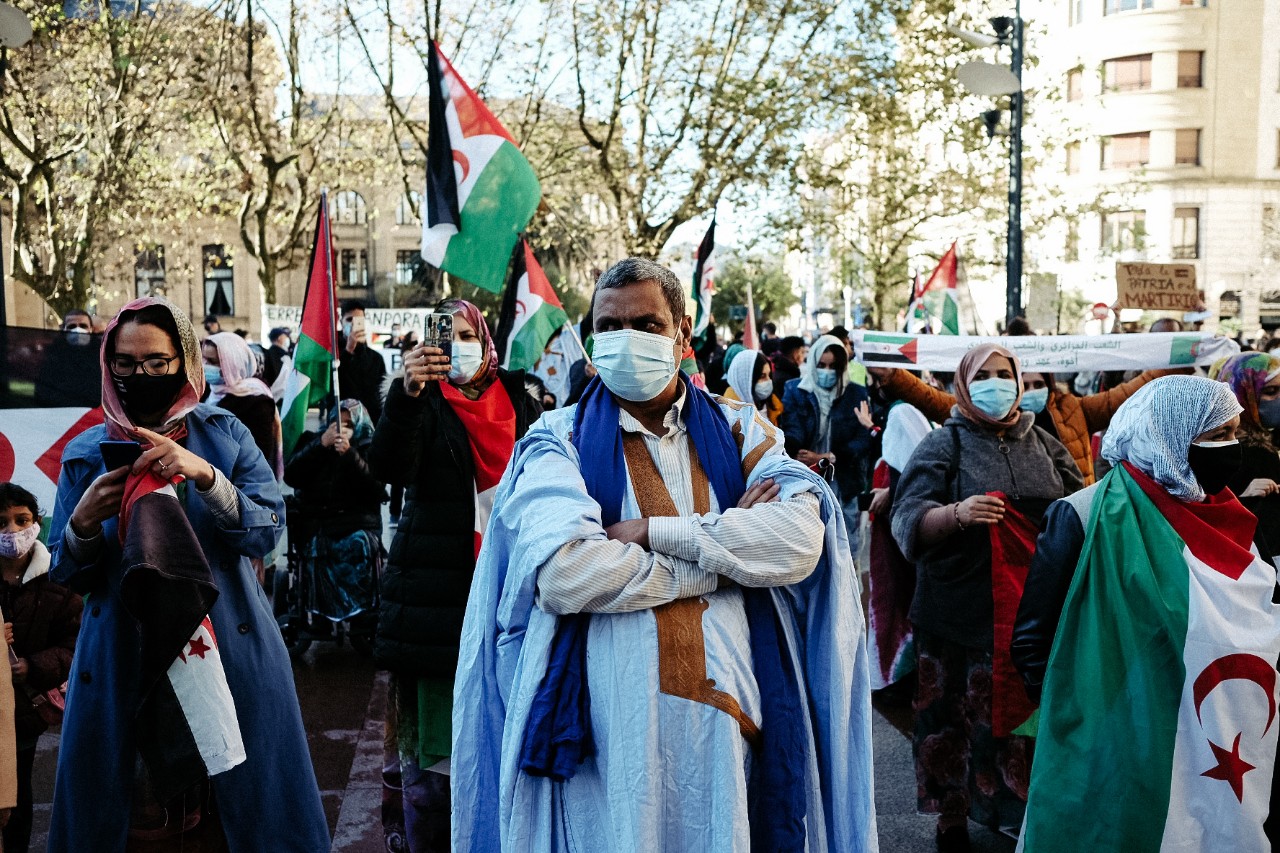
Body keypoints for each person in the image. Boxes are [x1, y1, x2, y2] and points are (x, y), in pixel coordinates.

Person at [451, 258, 877, 852]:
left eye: (646, 325)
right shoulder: (557, 440)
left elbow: (799, 543)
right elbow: (565, 575)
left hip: (731, 745)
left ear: (681, 334)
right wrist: (724, 559)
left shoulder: (740, 430)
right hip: (603, 754)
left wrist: (656, 531)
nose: (627, 339)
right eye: (610, 325)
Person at [46, 297, 328, 852]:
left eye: (156, 362)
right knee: (135, 823)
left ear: (185, 361)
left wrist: (209, 480)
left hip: (227, 655)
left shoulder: (224, 436)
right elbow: (64, 569)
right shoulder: (84, 453)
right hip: (123, 662)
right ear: (107, 366)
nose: (140, 376)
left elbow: (266, 531)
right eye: (124, 364)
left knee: (239, 818)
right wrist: (82, 522)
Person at [1012, 376, 1280, 851]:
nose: (1231, 447)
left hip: (1212, 744)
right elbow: (1034, 642)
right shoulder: (1082, 515)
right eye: (1216, 435)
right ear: (1167, 434)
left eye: (1234, 432)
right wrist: (1083, 725)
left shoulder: (1231, 520)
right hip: (1112, 743)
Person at [891, 343, 1083, 852]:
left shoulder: (1045, 444)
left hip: (1028, 612)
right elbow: (908, 518)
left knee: (1019, 717)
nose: (995, 384)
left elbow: (1082, 509)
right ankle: (951, 817)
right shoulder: (943, 445)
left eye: (1005, 374)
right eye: (984, 375)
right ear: (963, 383)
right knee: (950, 719)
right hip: (957, 614)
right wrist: (956, 514)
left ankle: (1018, 811)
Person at [368, 299, 542, 851]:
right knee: (437, 772)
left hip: (512, 591)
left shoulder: (519, 396)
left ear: (486, 339)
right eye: (447, 335)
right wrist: (406, 396)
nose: (458, 345)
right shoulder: (420, 401)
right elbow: (390, 469)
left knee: (506, 745)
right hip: (438, 598)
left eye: (468, 334)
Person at [870, 359, 1184, 484]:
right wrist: (894, 377)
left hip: (1074, 513)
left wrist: (1173, 361)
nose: (1032, 392)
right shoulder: (989, 415)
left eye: (1039, 385)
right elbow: (932, 400)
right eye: (1025, 384)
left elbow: (1126, 393)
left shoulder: (1075, 408)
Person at [0, 483, 82, 853]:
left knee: (15, 795)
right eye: (1, 523)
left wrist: (31, 667)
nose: (12, 532)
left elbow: (75, 644)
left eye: (22, 520)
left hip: (24, 714)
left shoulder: (58, 580)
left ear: (37, 523)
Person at [284, 399, 385, 630]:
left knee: (359, 545)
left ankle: (362, 613)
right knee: (316, 549)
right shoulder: (313, 440)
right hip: (320, 522)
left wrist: (350, 454)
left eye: (348, 423)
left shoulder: (370, 446)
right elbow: (292, 475)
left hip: (356, 522)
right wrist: (320, 445)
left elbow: (376, 488)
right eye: (337, 422)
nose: (342, 428)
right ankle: (319, 613)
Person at [780, 334, 875, 557]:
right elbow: (792, 428)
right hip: (807, 478)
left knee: (845, 547)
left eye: (833, 366)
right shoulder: (796, 390)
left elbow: (862, 440)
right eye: (821, 365)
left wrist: (828, 456)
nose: (827, 371)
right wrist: (796, 451)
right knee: (809, 548)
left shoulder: (855, 394)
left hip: (844, 480)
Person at [1211, 352, 1280, 562]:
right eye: (1270, 391)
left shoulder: (1267, 438)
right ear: (1241, 393)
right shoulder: (1224, 450)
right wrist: (1242, 496)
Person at [202, 331, 282, 478]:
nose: (205, 366)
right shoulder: (208, 389)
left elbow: (259, 454)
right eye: (205, 359)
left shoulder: (257, 401)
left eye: (213, 362)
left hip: (236, 482)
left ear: (233, 362)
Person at [34, 308, 102, 408]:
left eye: (83, 326)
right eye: (72, 326)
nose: (78, 330)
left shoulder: (101, 355)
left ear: (91, 329)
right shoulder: (53, 356)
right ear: (63, 330)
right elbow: (43, 392)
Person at [337, 299, 388, 424]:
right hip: (343, 423)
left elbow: (381, 395)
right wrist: (348, 350)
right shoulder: (333, 354)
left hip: (371, 424)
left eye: (358, 320)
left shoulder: (375, 358)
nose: (353, 324)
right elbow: (334, 383)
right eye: (349, 320)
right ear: (341, 322)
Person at [723, 349, 783, 424]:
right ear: (745, 379)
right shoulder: (730, 415)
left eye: (769, 375)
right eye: (762, 376)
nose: (769, 381)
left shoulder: (772, 404)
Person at [771, 334, 807, 399]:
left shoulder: (781, 369)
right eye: (802, 352)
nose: (804, 356)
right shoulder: (786, 379)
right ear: (796, 353)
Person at [262, 326, 293, 395]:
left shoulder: (270, 353)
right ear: (279, 338)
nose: (287, 338)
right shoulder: (279, 355)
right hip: (279, 395)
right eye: (285, 336)